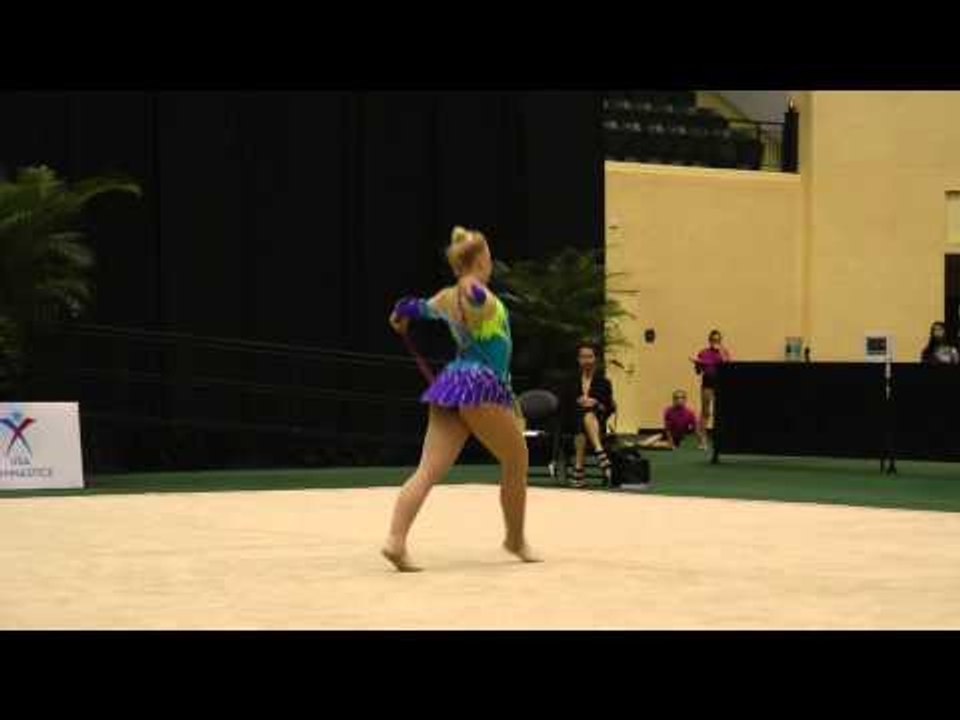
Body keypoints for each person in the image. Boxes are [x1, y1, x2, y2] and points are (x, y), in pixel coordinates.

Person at [382, 226, 540, 572]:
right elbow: (475, 298)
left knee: (428, 469)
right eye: (487, 255)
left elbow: (414, 306)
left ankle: (395, 539)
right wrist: (471, 285)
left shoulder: (445, 297)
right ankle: (515, 538)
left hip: (452, 384)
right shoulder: (475, 295)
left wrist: (400, 313)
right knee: (516, 460)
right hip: (480, 386)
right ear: (482, 259)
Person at [564, 342, 615, 487]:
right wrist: (577, 401)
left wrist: (596, 403)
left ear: (595, 359)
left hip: (597, 420)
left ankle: (578, 470)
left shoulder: (604, 382)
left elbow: (610, 407)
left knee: (586, 417)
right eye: (583, 357)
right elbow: (563, 404)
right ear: (578, 359)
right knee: (582, 416)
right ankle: (601, 453)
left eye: (589, 357)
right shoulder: (570, 381)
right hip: (572, 420)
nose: (586, 360)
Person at [690, 329, 731, 449]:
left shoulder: (724, 352)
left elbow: (728, 367)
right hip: (708, 383)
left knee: (721, 412)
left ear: (720, 340)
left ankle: (721, 439)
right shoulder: (703, 352)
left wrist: (722, 354)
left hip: (721, 383)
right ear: (709, 340)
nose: (715, 342)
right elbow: (698, 372)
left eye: (718, 340)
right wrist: (697, 364)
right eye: (713, 339)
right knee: (706, 412)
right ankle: (702, 441)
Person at [640, 389, 705, 450]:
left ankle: (655, 444)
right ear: (673, 400)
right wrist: (671, 442)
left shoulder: (690, 413)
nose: (679, 400)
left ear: (685, 400)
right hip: (666, 435)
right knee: (645, 444)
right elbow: (668, 429)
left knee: (660, 446)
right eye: (676, 398)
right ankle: (643, 444)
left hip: (677, 438)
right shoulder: (668, 411)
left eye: (682, 398)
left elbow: (696, 429)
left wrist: (701, 443)